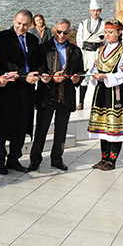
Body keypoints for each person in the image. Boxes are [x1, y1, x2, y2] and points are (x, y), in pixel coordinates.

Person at [0, 10, 39, 174]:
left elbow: (36, 62)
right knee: (3, 126)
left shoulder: (33, 39)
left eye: (25, 24)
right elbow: (4, 62)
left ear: (31, 24)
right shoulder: (3, 38)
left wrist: (39, 74)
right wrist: (25, 76)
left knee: (22, 124)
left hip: (27, 90)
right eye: (18, 23)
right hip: (8, 89)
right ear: (13, 20)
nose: (21, 27)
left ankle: (14, 159)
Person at [29, 19, 83, 171]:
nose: (61, 35)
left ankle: (57, 158)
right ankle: (35, 159)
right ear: (53, 30)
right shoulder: (43, 48)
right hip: (47, 93)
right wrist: (49, 75)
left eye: (65, 32)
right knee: (41, 128)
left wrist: (77, 78)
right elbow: (38, 66)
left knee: (61, 129)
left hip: (66, 94)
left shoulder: (75, 50)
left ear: (69, 32)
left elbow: (81, 70)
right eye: (59, 32)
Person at [87, 18, 123, 170]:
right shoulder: (101, 50)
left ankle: (112, 160)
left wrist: (105, 76)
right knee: (102, 126)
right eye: (106, 32)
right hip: (101, 91)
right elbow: (95, 67)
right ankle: (103, 157)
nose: (107, 35)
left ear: (119, 33)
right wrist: (93, 74)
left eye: (111, 32)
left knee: (114, 126)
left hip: (114, 92)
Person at [77, 0, 104, 110]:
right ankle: (81, 102)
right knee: (84, 78)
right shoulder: (83, 24)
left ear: (100, 11)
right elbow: (79, 38)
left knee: (97, 77)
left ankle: (96, 102)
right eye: (93, 11)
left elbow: (106, 40)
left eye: (97, 11)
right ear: (90, 11)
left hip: (97, 52)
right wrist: (81, 51)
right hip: (86, 53)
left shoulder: (104, 24)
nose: (95, 13)